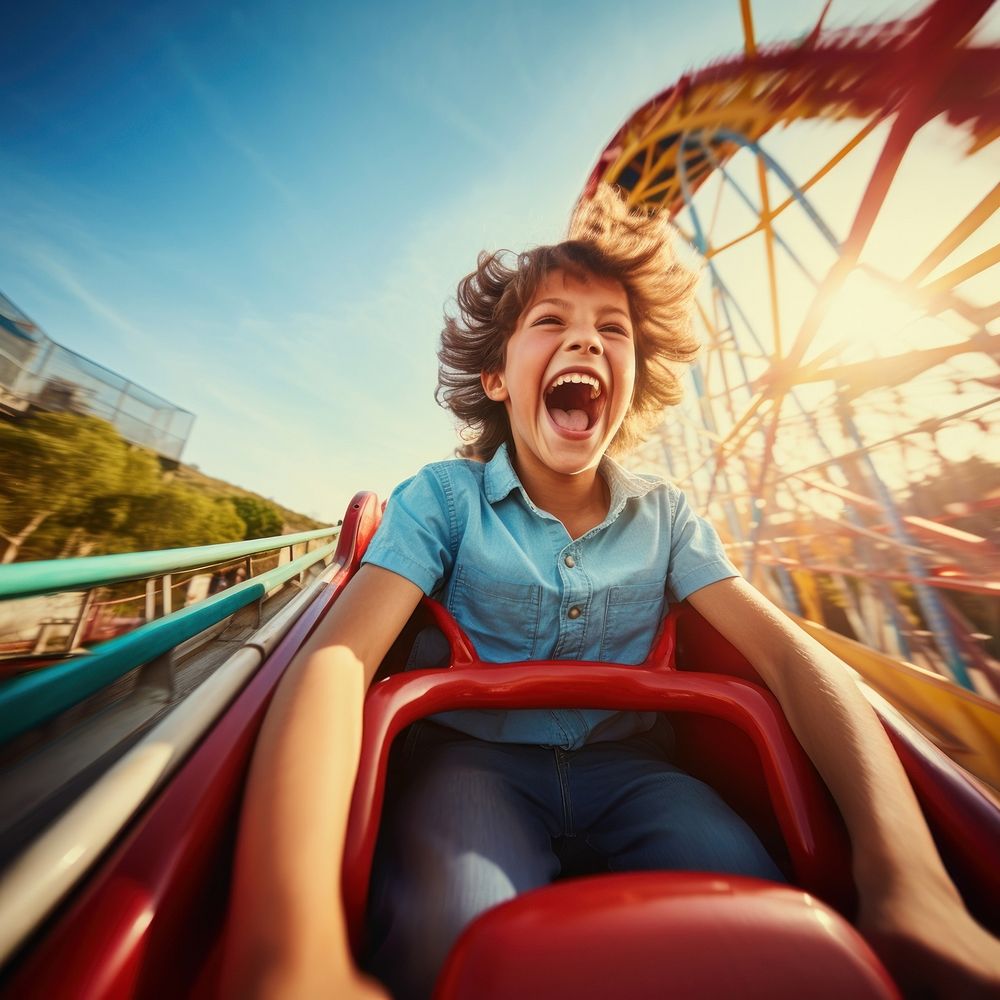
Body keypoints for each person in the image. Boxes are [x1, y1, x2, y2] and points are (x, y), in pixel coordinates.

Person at [219, 187, 1000, 1000]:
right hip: (476, 766)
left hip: (636, 771)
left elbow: (792, 661)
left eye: (612, 330)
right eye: (551, 322)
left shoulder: (667, 518)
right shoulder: (443, 500)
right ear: (495, 375)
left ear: (632, 381)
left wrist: (911, 883)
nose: (585, 341)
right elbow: (338, 660)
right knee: (448, 931)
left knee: (758, 906)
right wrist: (287, 937)